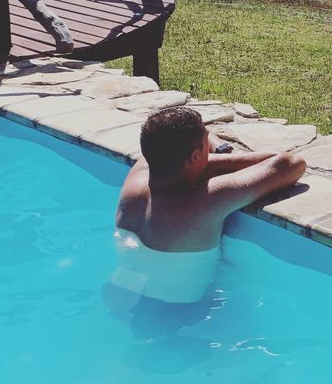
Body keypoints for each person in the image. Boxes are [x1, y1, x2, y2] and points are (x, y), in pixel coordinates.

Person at [111, 105, 305, 302]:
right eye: (206, 142)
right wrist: (225, 156)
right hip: (180, 312)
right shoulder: (202, 202)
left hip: (120, 291)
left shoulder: (138, 176)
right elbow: (289, 164)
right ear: (195, 157)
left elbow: (173, 155)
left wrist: (207, 153)